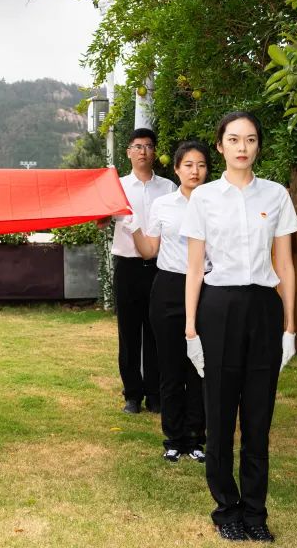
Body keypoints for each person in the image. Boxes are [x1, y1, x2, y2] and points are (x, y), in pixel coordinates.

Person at [180, 111, 297, 542]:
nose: (242, 147)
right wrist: (191, 330)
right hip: (218, 309)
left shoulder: (276, 195)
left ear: (258, 145)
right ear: (220, 146)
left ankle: (255, 512)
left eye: (250, 139)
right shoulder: (204, 198)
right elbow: (195, 268)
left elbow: (284, 263)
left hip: (263, 309)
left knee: (257, 418)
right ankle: (226, 509)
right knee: (219, 415)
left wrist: (289, 327)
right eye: (233, 139)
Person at [132, 139, 210, 463]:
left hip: (207, 287)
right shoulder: (163, 205)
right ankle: (174, 439)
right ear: (176, 169)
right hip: (167, 288)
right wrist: (131, 226)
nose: (195, 171)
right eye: (188, 165)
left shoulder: (216, 204)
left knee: (200, 367)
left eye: (201, 165)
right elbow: (149, 250)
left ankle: (196, 438)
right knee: (170, 367)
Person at [112, 127, 175, 414]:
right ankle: (132, 395)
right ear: (128, 152)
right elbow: (101, 220)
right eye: (137, 146)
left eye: (148, 146)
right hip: (127, 266)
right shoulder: (117, 187)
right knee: (128, 333)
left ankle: (155, 394)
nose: (143, 152)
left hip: (159, 267)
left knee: (155, 331)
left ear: (155, 152)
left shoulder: (169, 188)